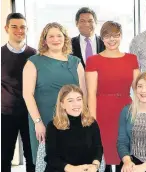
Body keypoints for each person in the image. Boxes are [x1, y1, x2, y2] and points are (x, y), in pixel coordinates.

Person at [23, 22, 85, 165]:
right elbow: (27, 94)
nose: (55, 39)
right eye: (50, 36)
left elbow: (84, 95)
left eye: (59, 35)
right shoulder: (33, 62)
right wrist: (38, 122)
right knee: (46, 162)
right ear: (44, 40)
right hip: (43, 120)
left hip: (72, 120)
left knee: (72, 161)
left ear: (65, 38)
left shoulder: (76, 62)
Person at [86, 21, 140, 172]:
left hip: (126, 110)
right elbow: (91, 93)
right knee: (104, 152)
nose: (111, 40)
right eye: (107, 36)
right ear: (102, 38)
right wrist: (92, 120)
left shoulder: (131, 59)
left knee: (126, 150)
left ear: (121, 36)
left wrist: (138, 113)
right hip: (103, 111)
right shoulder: (93, 60)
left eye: (115, 35)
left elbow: (137, 91)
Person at [1, 12, 35, 172]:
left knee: (32, 156)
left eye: (22, 27)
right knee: (4, 156)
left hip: (30, 114)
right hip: (5, 114)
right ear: (6, 28)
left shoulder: (34, 55)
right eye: (14, 26)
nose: (19, 30)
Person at [45, 84, 103, 172]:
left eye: (79, 99)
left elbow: (98, 148)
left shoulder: (91, 122)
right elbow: (52, 157)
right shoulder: (53, 126)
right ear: (62, 105)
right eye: (70, 101)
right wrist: (74, 169)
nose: (76, 104)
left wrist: (95, 165)